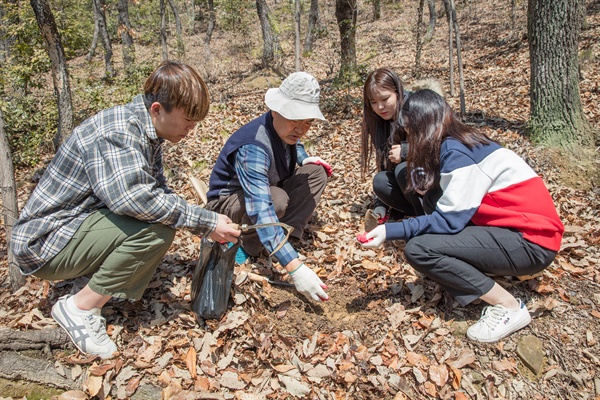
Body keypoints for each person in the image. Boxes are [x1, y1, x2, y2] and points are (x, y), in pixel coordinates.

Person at [10, 61, 241, 359]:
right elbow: (134, 200)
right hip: (45, 242)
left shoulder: (145, 130)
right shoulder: (118, 132)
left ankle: (88, 286)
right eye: (186, 121)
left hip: (72, 227)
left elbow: (155, 189)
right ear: (157, 109)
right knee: (157, 229)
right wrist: (205, 221)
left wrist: (203, 219)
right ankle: (79, 307)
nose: (190, 130)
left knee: (159, 219)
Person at [359, 89, 564, 343]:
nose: (410, 137)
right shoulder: (459, 140)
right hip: (516, 230)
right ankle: (485, 272)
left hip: (532, 242)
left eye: (412, 131)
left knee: (420, 249)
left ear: (425, 128)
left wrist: (391, 231)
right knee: (429, 224)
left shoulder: (457, 154)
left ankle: (508, 307)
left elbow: (448, 220)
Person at [206, 71, 331, 303]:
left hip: (266, 191)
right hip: (228, 203)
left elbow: (295, 141)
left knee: (316, 172)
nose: (301, 129)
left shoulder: (284, 129)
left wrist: (303, 158)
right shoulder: (253, 146)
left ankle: (284, 240)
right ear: (275, 109)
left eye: (308, 123)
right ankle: (247, 247)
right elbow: (260, 208)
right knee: (277, 199)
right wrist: (296, 269)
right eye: (295, 119)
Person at [360, 68, 444, 223]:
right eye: (373, 102)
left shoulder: (417, 109)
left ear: (397, 92)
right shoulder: (378, 121)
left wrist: (406, 151)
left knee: (402, 169)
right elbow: (384, 163)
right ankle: (413, 210)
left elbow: (441, 147)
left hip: (437, 180)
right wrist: (381, 204)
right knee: (380, 181)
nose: (380, 107)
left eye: (385, 99)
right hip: (411, 185)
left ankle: (426, 218)